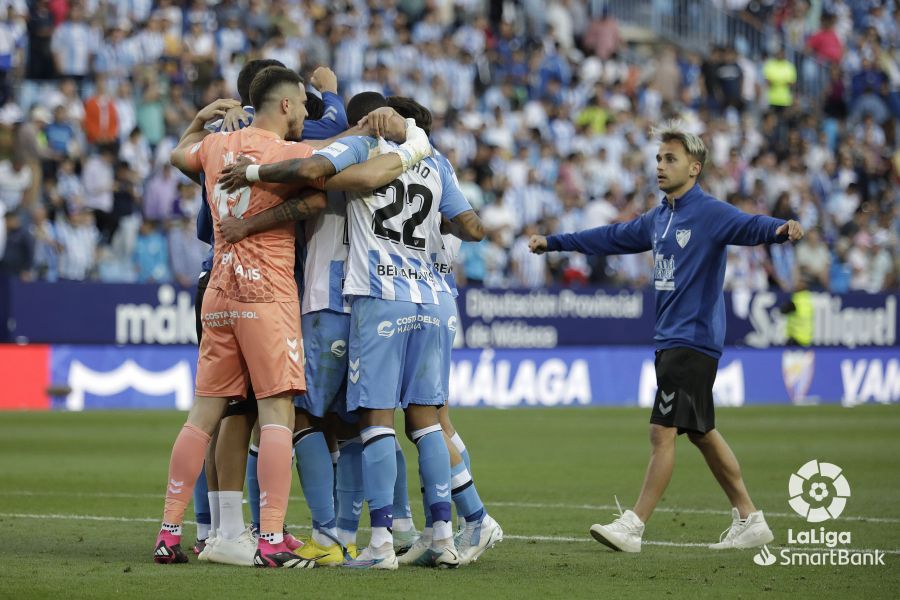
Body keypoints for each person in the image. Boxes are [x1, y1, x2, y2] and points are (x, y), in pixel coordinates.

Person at [528, 120, 804, 553]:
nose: (660, 165)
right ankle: (750, 518)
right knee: (701, 432)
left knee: (662, 432)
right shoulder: (658, 218)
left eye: (670, 159)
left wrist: (778, 229)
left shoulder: (709, 212)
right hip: (672, 340)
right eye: (658, 158)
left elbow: (750, 226)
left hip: (691, 341)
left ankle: (633, 525)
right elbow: (609, 238)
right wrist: (555, 241)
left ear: (694, 168)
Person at [156, 67, 327, 568]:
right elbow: (323, 182)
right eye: (300, 104)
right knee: (277, 412)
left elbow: (176, 154)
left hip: (219, 291)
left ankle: (169, 532)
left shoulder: (215, 147)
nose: (302, 114)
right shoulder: (292, 154)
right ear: (286, 105)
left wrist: (201, 118)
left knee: (202, 414)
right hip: (267, 292)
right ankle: (270, 538)